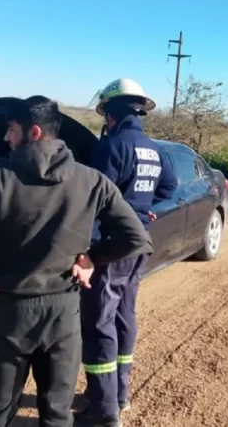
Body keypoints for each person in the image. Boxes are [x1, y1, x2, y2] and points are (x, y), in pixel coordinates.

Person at [0, 95, 153, 427]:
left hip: (10, 311)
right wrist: (91, 258)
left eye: (10, 130)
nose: (5, 138)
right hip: (64, 314)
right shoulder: (92, 180)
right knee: (56, 415)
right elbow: (136, 238)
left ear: (34, 132)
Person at [75, 78, 177, 427]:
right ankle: (119, 394)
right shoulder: (153, 148)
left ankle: (104, 411)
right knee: (123, 317)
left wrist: (85, 253)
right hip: (138, 244)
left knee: (99, 322)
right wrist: (143, 207)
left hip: (109, 247)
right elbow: (169, 187)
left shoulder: (112, 146)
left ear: (110, 113)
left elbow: (92, 202)